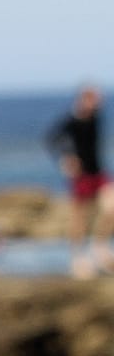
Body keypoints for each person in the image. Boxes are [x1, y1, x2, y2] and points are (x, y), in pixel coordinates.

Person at [45, 84, 112, 278]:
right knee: (80, 218)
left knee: (111, 207)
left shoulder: (97, 118)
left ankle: (100, 246)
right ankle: (78, 258)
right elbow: (52, 139)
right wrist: (66, 158)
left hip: (98, 172)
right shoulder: (71, 121)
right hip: (81, 176)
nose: (98, 103)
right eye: (95, 99)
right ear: (84, 99)